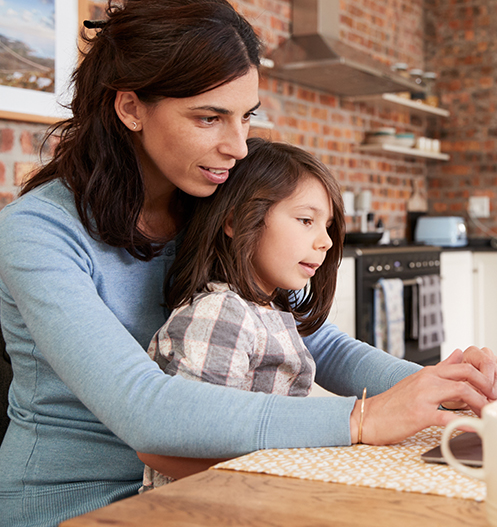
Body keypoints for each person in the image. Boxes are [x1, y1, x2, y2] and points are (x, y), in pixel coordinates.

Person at [0, 0, 497, 527]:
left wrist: (440, 387)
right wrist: (361, 418)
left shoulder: (205, 200)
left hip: (216, 482)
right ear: (130, 107)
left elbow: (313, 339)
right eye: (209, 118)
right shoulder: (38, 232)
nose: (238, 146)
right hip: (79, 506)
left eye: (247, 117)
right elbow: (144, 408)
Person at [140, 137, 346, 490]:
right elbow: (188, 441)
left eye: (326, 225)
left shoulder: (269, 311)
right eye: (305, 220)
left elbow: (296, 405)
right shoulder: (221, 315)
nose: (325, 241)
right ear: (235, 221)